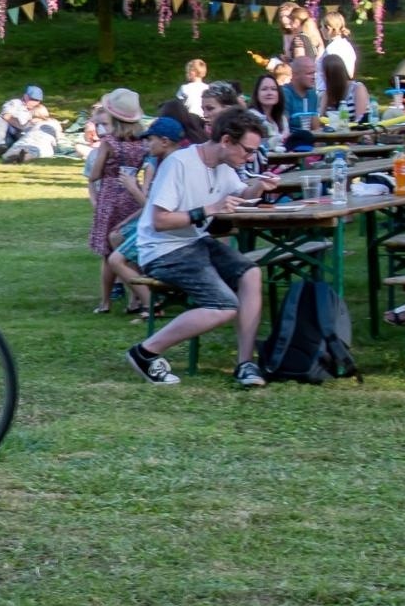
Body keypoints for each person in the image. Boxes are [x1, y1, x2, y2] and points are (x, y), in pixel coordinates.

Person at [127, 110, 279, 387]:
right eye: (247, 150)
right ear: (226, 141)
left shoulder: (224, 166)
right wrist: (209, 209)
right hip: (162, 249)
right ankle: (145, 352)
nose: (250, 158)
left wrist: (258, 186)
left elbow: (242, 194)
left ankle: (245, 364)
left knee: (251, 273)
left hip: (194, 242)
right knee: (224, 306)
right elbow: (160, 221)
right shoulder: (179, 163)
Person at [106, 115, 186, 317]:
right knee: (116, 235)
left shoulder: (173, 167)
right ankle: (137, 298)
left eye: (150, 140)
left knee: (116, 260)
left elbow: (155, 210)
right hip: (162, 224)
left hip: (169, 230)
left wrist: (133, 188)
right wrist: (127, 220)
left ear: (165, 141)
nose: (146, 144)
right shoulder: (167, 162)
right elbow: (153, 203)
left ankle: (152, 305)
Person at [86, 89, 147, 312]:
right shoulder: (143, 142)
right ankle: (134, 299)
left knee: (108, 253)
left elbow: (94, 175)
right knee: (129, 250)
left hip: (110, 197)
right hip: (132, 195)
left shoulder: (109, 143)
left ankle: (105, 302)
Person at [0, 86, 44, 157]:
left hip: (16, 135)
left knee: (10, 142)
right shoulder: (15, 103)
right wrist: (23, 126)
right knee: (0, 120)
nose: (35, 103)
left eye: (38, 100)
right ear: (26, 97)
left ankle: (2, 148)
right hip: (2, 129)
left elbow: (44, 119)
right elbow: (6, 116)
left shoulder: (38, 109)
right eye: (33, 99)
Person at [320, 53, 371, 125]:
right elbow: (320, 119)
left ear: (331, 75)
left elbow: (360, 122)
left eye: (323, 73)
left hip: (354, 131)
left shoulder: (357, 88)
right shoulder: (327, 93)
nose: (321, 76)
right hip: (332, 131)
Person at [281, 55, 321, 135]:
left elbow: (316, 128)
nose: (313, 77)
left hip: (309, 140)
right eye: (309, 73)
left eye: (314, 73)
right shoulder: (284, 94)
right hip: (290, 140)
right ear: (295, 75)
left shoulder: (312, 94)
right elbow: (283, 129)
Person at [251, 72, 288, 147]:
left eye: (273, 89)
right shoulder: (252, 116)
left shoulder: (282, 118)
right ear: (257, 94)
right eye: (264, 89)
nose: (269, 93)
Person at [321, 11, 357, 77]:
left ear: (328, 29)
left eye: (322, 27)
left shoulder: (331, 49)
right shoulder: (346, 45)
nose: (321, 29)